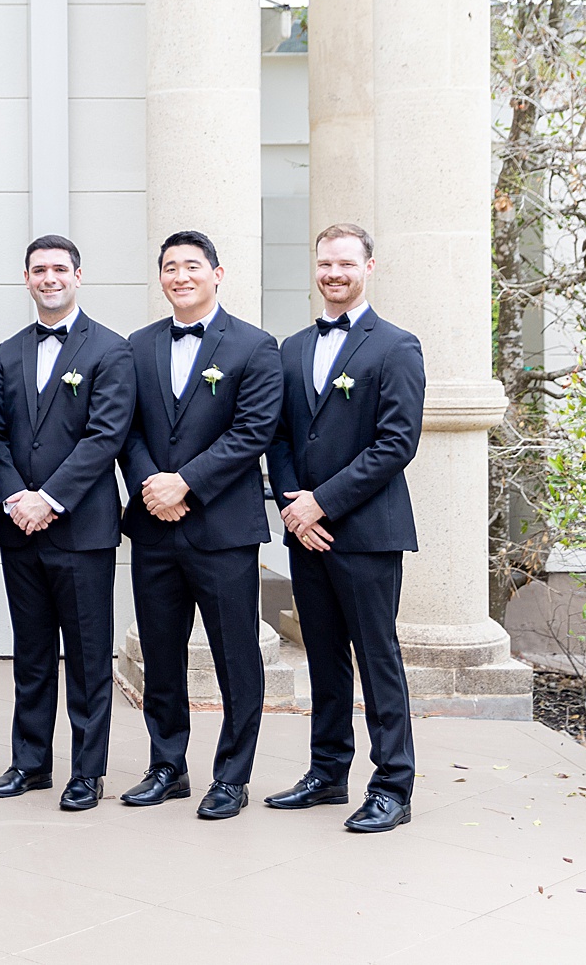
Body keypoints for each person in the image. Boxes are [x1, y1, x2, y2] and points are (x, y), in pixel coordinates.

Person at [265, 223, 425, 833]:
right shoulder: (292, 347)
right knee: (323, 657)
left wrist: (321, 503)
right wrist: (293, 507)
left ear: (369, 267)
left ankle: (392, 786)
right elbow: (279, 437)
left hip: (366, 532)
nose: (333, 273)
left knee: (377, 657)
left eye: (345, 263)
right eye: (325, 263)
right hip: (304, 531)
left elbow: (395, 444)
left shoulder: (397, 347)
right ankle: (327, 772)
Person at [117, 230, 281, 821]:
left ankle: (232, 776)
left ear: (218, 273)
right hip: (154, 526)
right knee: (160, 653)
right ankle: (168, 764)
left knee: (236, 655)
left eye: (191, 266)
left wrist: (185, 483)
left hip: (223, 528)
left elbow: (252, 431)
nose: (180, 276)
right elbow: (126, 429)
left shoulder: (256, 348)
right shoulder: (137, 347)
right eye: (169, 267)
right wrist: (152, 486)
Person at [0, 235, 136, 811]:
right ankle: (30, 763)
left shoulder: (110, 350)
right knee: (32, 654)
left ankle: (87, 771)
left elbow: (105, 436)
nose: (48, 278)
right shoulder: (7, 351)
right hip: (20, 526)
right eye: (38, 270)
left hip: (81, 528)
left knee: (89, 655)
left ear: (79, 275)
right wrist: (14, 498)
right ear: (27, 279)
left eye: (58, 269)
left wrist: (49, 499)